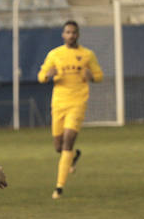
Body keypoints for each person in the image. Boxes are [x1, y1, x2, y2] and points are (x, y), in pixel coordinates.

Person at [37, 20, 103, 200]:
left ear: (78, 34)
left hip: (78, 103)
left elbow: (99, 76)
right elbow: (41, 76)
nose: (71, 35)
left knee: (67, 141)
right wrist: (47, 76)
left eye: (74, 32)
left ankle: (59, 187)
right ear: (63, 34)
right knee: (59, 146)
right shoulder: (55, 54)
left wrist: (92, 76)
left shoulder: (87, 54)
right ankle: (73, 156)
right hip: (58, 104)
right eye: (68, 32)